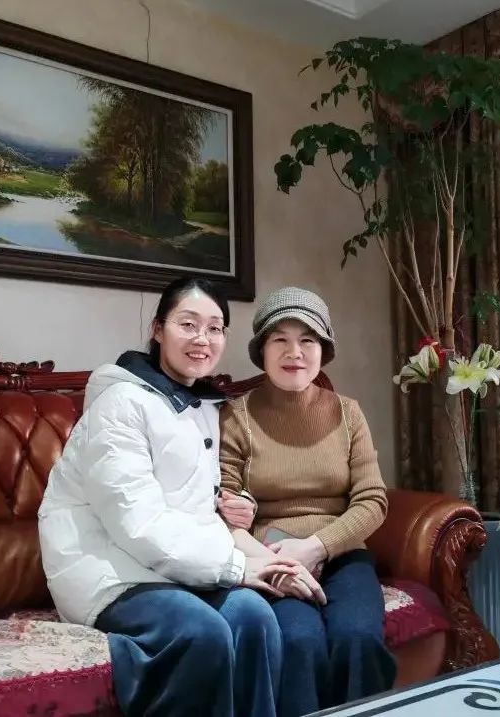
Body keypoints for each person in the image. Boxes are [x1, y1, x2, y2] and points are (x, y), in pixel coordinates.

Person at [39, 277, 309, 717]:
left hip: (172, 567)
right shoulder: (120, 405)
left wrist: (253, 532)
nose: (203, 339)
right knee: (201, 633)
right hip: (108, 572)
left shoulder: (202, 406)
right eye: (188, 324)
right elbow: (137, 524)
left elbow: (196, 508)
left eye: (215, 328)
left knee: (255, 617)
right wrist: (237, 567)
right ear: (158, 329)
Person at [218, 286, 397, 717]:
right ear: (262, 350)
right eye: (279, 339)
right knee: (299, 641)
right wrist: (275, 560)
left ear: (323, 350)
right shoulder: (236, 416)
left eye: (307, 339)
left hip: (343, 554)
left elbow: (373, 500)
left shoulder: (348, 413)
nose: (294, 352)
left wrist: (316, 547)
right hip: (272, 558)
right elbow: (223, 509)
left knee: (358, 638)